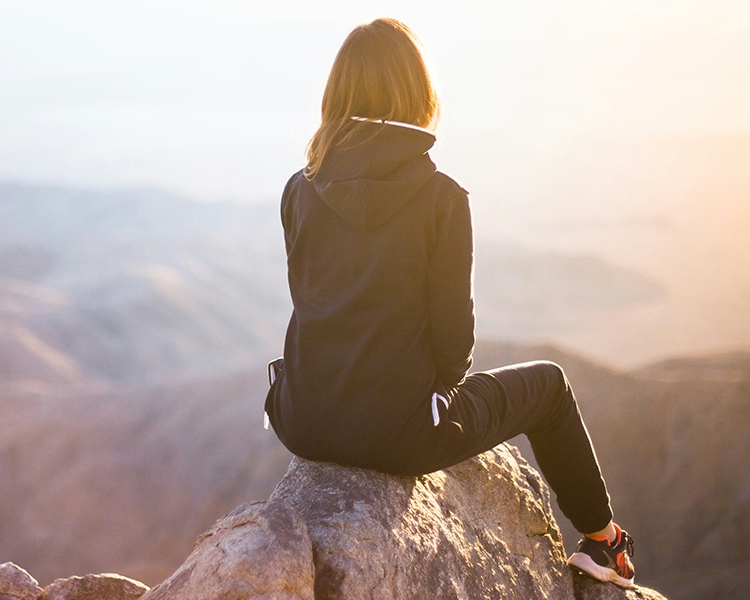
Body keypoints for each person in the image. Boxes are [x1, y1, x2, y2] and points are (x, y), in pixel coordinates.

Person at [263, 18, 636, 588]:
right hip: (401, 434)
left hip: (301, 418)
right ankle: (603, 542)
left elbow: (312, 302)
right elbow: (454, 346)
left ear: (336, 94)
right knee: (551, 386)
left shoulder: (298, 187)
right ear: (417, 93)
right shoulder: (441, 198)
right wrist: (427, 402)